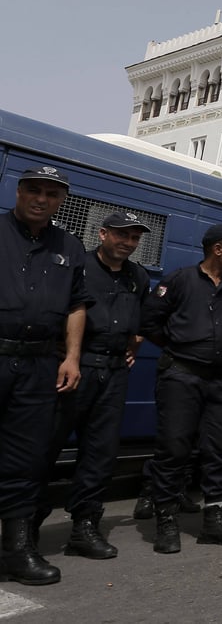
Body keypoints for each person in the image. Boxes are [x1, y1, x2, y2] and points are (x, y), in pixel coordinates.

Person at [35, 211, 151, 561]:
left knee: (100, 454)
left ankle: (85, 527)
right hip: (75, 367)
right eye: (121, 235)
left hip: (114, 373)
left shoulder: (138, 276)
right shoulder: (77, 266)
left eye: (134, 238)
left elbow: (142, 320)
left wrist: (133, 347)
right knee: (45, 447)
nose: (128, 243)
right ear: (102, 234)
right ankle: (25, 525)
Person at [0, 167, 90, 585]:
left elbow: (76, 306)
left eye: (52, 194)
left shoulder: (69, 246)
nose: (41, 199)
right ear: (18, 192)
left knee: (27, 460)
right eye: (34, 190)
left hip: (39, 366)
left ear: (60, 201)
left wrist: (72, 357)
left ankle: (17, 552)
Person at [141, 222, 222, 555]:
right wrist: (180, 350)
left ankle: (214, 520)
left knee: (219, 450)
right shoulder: (180, 280)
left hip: (219, 380)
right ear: (218, 249)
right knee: (174, 449)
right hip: (181, 376)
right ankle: (166, 521)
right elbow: (149, 323)